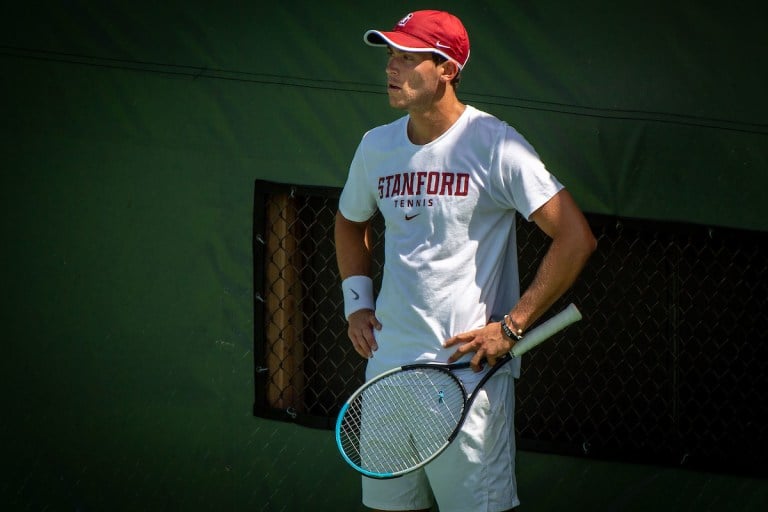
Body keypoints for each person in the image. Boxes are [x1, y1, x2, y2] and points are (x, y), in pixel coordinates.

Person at [334, 9, 597, 512]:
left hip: (465, 382)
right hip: (385, 375)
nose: (392, 67)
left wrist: (512, 326)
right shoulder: (376, 146)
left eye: (407, 57)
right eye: (390, 55)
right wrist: (356, 304)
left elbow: (575, 237)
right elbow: (350, 222)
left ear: (448, 69)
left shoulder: (496, 144)